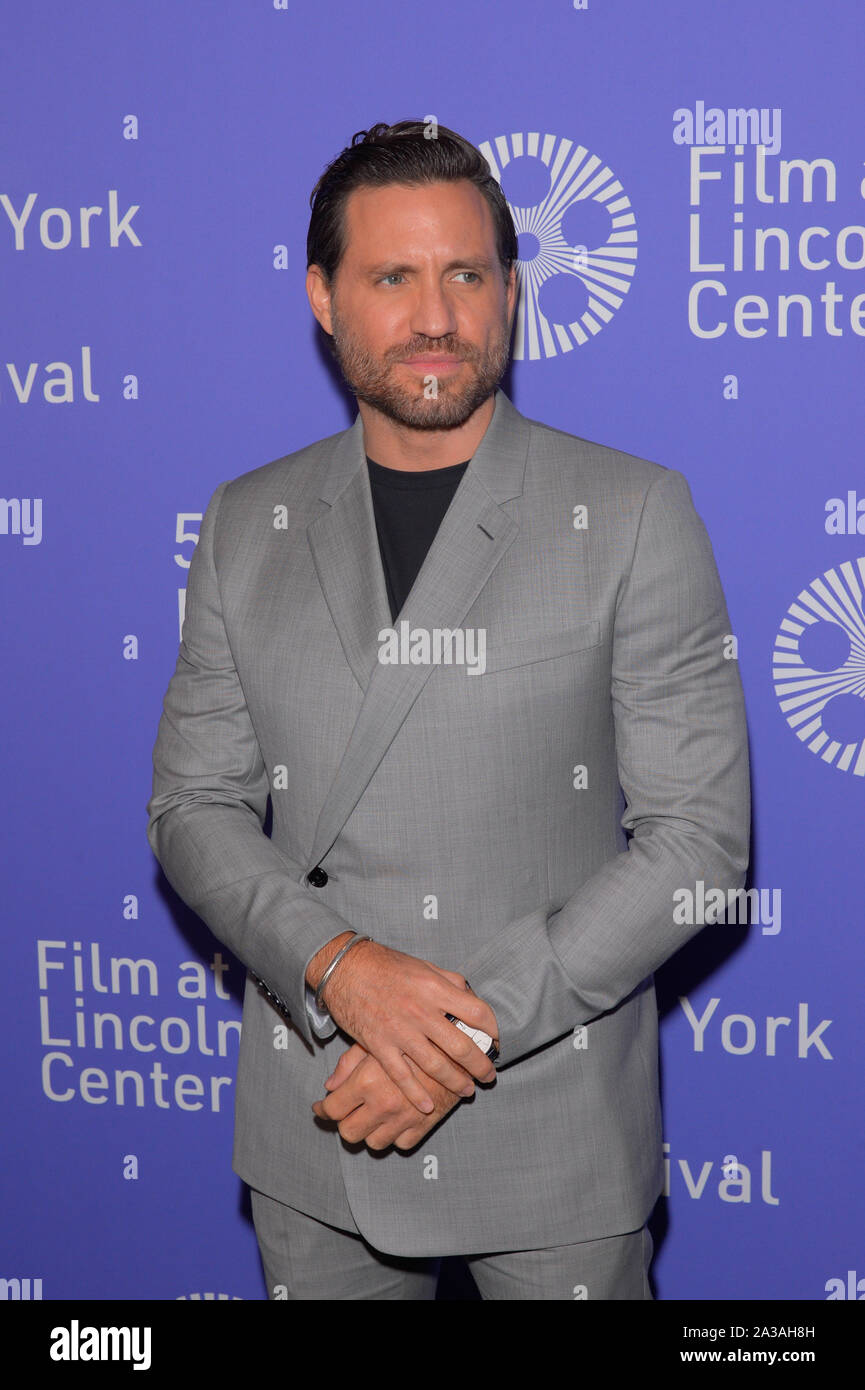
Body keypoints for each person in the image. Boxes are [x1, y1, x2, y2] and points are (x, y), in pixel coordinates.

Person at [147, 119, 750, 1300]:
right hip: (317, 1126)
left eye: (466, 274)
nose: (436, 316)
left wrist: (447, 1033)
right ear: (323, 296)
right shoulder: (243, 523)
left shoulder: (629, 513)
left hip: (551, 1132)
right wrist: (338, 966)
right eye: (393, 277)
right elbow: (192, 807)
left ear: (512, 293)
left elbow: (697, 841)